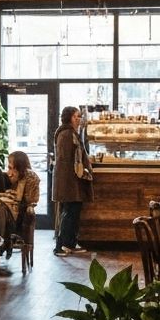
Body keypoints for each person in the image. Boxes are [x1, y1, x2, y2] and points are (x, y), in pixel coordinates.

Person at [52, 106, 93, 255]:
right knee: (69, 213)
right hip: (68, 181)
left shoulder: (72, 133)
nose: (79, 119)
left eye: (80, 116)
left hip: (72, 180)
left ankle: (70, 243)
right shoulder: (66, 134)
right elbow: (64, 160)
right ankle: (60, 246)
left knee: (73, 212)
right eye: (76, 116)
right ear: (69, 117)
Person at [0, 151, 41, 255]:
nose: (9, 172)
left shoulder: (28, 176)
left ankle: (2, 243)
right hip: (8, 212)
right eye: (8, 168)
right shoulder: (10, 178)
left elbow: (29, 200)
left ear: (19, 167)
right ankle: (0, 243)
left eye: (11, 168)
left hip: (18, 217)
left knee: (0, 211)